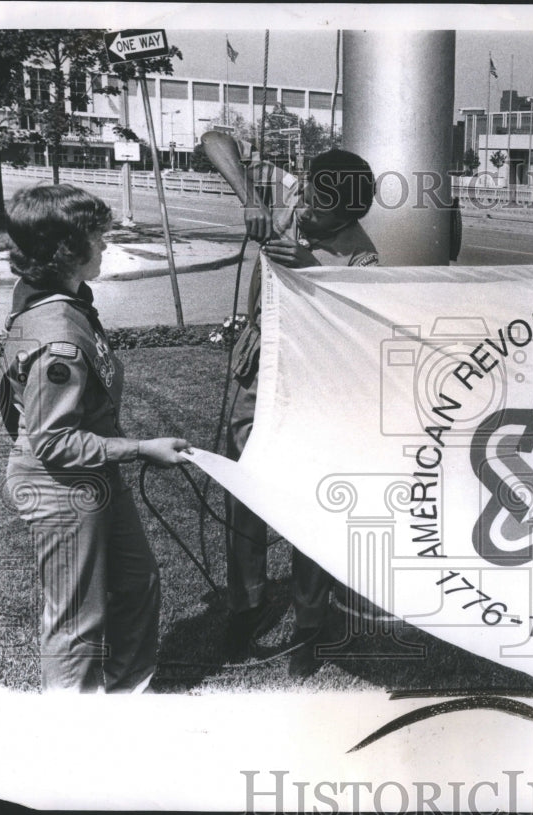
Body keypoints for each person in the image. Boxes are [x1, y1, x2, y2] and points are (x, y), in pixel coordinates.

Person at [1, 184, 191, 692]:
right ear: (66, 250)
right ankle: (71, 734)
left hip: (90, 471)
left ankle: (123, 695)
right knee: (76, 622)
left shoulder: (60, 296)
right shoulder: (57, 334)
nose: (105, 246)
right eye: (98, 238)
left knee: (136, 582)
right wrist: (139, 449)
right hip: (60, 483)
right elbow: (54, 441)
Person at [200, 133, 379, 662]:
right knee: (246, 496)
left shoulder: (363, 255)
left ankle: (309, 620)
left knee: (311, 504)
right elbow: (214, 139)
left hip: (316, 389)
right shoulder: (290, 196)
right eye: (309, 199)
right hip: (261, 380)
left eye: (328, 214)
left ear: (351, 216)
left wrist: (312, 271)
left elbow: (358, 328)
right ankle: (246, 606)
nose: (309, 213)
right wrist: (250, 199)